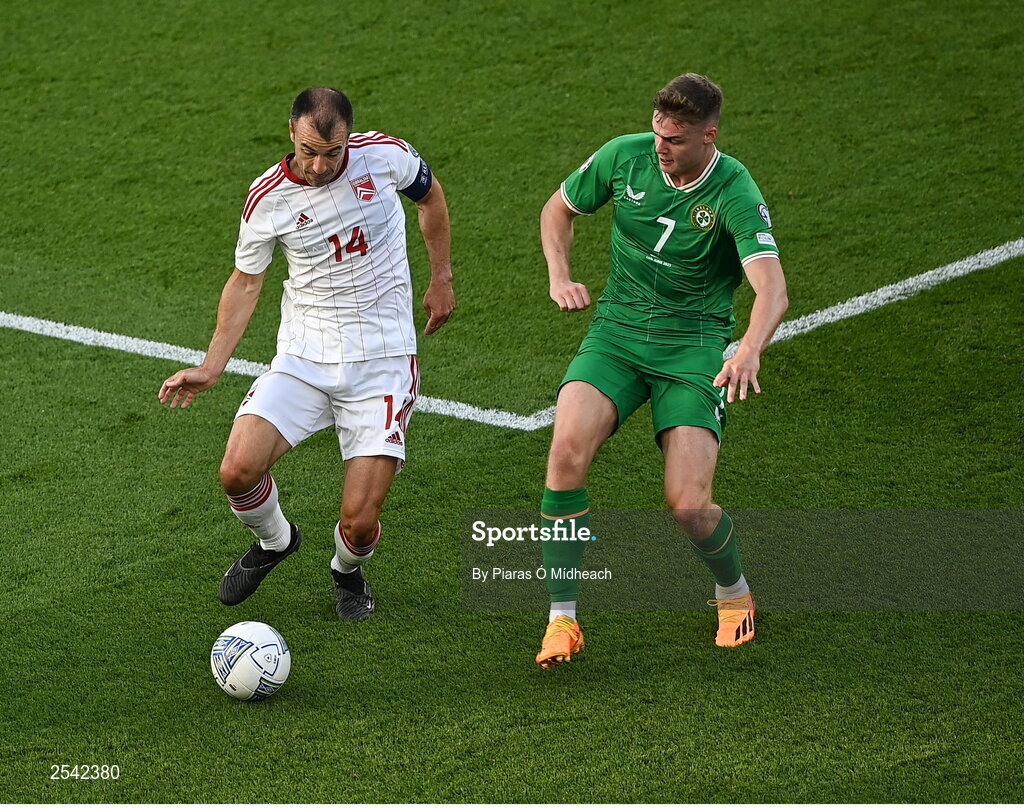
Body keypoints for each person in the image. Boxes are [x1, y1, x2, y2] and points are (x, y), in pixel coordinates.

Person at [159, 87, 455, 620]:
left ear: (350, 138)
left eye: (333, 153)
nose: (320, 166)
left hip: (384, 362)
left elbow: (431, 200)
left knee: (360, 522)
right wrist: (211, 365)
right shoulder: (268, 197)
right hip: (303, 357)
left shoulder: (388, 156)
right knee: (237, 470)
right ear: (291, 133)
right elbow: (246, 283)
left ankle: (346, 570)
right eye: (308, 151)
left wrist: (441, 278)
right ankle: (276, 541)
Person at [535, 73, 788, 667]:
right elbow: (558, 208)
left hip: (694, 348)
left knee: (688, 504)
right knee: (565, 453)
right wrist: (558, 273)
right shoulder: (625, 157)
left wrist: (750, 345)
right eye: (656, 131)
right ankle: (562, 619)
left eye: (675, 137)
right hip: (617, 335)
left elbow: (771, 289)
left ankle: (734, 592)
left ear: (708, 135)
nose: (660, 145)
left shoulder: (733, 188)